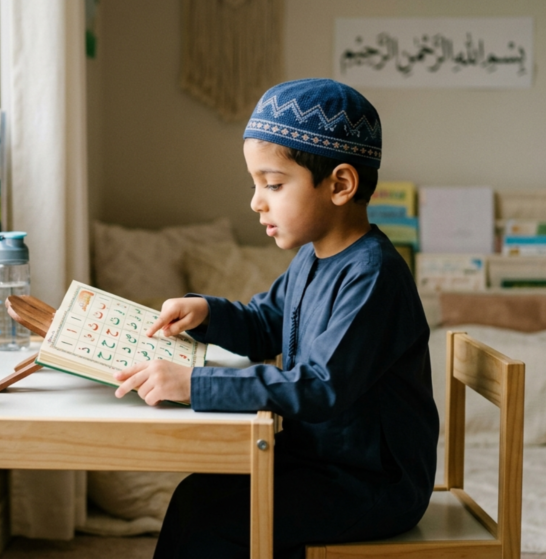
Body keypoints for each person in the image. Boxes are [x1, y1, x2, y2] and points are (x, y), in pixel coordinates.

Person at [113, 78, 439, 558]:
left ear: (341, 185)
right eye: (256, 184)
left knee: (217, 520)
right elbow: (266, 321)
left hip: (370, 482)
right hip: (320, 458)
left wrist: (194, 383)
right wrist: (205, 312)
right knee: (194, 496)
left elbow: (319, 385)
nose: (256, 201)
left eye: (274, 184)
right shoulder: (312, 257)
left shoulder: (374, 277)